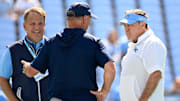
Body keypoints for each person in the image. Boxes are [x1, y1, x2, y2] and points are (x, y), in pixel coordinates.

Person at [21, 2, 116, 101]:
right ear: (84, 19)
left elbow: (32, 71)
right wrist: (104, 92)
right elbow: (110, 68)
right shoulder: (93, 43)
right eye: (89, 19)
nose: (89, 23)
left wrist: (27, 67)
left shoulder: (52, 43)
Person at [0, 7, 49, 101]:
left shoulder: (54, 48)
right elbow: (2, 79)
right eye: (32, 24)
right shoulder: (12, 50)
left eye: (40, 23)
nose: (37, 27)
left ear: (45, 25)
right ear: (24, 26)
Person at [119, 9, 167, 101]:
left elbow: (156, 74)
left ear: (143, 24)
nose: (126, 29)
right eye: (125, 25)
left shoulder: (152, 43)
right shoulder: (133, 46)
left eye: (130, 25)